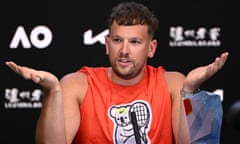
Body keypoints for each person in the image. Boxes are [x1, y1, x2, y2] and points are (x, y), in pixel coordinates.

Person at [5, 1, 229, 144]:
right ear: (106, 44)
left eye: (134, 42)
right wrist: (53, 92)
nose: (124, 51)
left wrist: (189, 92)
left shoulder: (173, 83)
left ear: (151, 48)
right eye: (117, 40)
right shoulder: (78, 84)